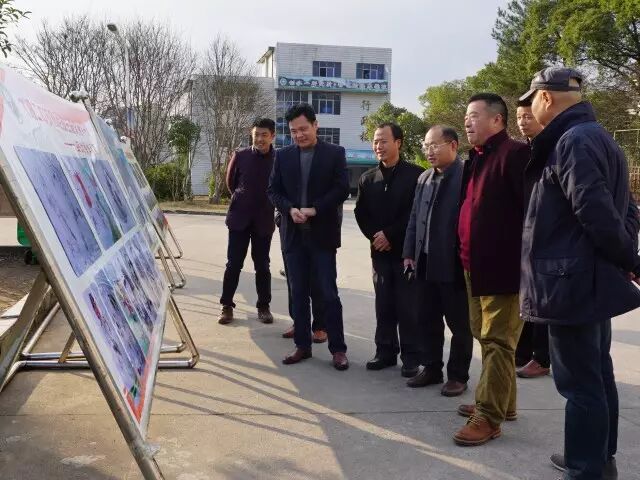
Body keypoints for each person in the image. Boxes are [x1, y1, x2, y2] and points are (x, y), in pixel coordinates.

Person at [519, 66, 640, 480]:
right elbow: (626, 209)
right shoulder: (598, 137)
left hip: (570, 284)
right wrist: (625, 256)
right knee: (597, 375)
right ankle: (597, 459)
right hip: (586, 278)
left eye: (530, 101)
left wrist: (629, 259)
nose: (529, 110)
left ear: (546, 97)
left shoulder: (571, 141)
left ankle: (586, 469)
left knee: (580, 385)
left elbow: (598, 213)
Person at [453, 93, 530, 446]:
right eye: (466, 116)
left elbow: (531, 215)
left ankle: (488, 415)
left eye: (474, 115)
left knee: (498, 340)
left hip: (504, 269)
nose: (467, 121)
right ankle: (502, 402)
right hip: (474, 265)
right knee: (485, 336)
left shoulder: (515, 155)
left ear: (497, 120)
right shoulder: (476, 157)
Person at [267, 103, 350, 370]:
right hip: (293, 237)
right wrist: (289, 209)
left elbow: (342, 189)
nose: (299, 135)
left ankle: (338, 349)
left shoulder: (334, 153)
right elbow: (273, 191)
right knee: (299, 293)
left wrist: (316, 209)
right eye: (293, 131)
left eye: (303, 129)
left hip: (322, 236)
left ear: (315, 125)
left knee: (328, 293)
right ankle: (302, 346)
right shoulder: (283, 156)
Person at [402, 125, 473, 396]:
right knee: (426, 319)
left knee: (459, 324)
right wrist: (409, 253)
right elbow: (414, 217)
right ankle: (431, 368)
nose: (429, 151)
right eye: (426, 146)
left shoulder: (466, 176)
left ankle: (458, 376)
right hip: (424, 261)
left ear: (453, 145)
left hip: (452, 263)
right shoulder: (424, 178)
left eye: (434, 145)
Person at [354, 122, 424, 378]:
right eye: (375, 141)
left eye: (383, 141)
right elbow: (361, 213)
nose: (378, 146)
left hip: (406, 253)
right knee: (383, 305)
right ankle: (385, 352)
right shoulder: (368, 178)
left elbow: (416, 212)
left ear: (398, 143)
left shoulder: (416, 175)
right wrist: (376, 237)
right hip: (380, 253)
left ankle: (411, 357)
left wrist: (390, 234)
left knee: (408, 307)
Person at [218, 118, 276, 325]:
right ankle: (226, 306)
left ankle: (264, 307)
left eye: (264, 135)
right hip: (239, 219)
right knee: (233, 264)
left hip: (264, 220)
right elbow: (231, 183)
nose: (259, 139)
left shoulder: (279, 159)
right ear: (251, 135)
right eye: (256, 134)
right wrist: (243, 199)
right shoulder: (240, 155)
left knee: (263, 265)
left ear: (272, 136)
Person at [514, 98, 550, 378]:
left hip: (544, 235)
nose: (523, 122)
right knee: (524, 297)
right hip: (521, 233)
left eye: (528, 116)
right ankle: (524, 351)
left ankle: (542, 356)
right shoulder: (521, 152)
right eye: (519, 117)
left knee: (541, 299)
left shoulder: (551, 150)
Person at [276, 210, 328, 343]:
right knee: (293, 282)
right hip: (290, 228)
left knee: (317, 281)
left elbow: (334, 201)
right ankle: (298, 323)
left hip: (318, 229)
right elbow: (276, 196)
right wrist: (280, 215)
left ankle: (320, 326)